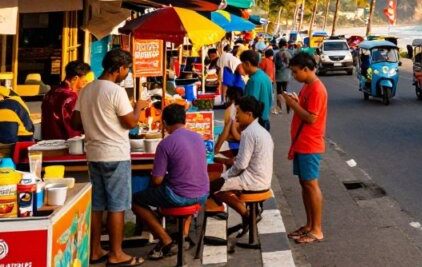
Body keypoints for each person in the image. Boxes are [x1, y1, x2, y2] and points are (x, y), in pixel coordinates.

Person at [72, 48, 149, 266]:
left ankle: (95, 249)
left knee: (97, 204)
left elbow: (75, 123)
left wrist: (94, 121)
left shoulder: (86, 90)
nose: (127, 73)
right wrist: (138, 108)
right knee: (117, 205)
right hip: (115, 154)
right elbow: (131, 123)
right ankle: (116, 253)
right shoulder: (116, 91)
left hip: (94, 154)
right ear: (118, 68)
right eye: (127, 69)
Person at [131, 104, 209, 259]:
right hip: (203, 194)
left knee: (136, 201)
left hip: (181, 196)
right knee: (181, 186)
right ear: (184, 120)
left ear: (165, 123)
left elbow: (157, 179)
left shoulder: (165, 144)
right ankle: (184, 234)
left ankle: (166, 241)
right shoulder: (198, 138)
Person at [210, 96, 273, 237]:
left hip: (254, 181)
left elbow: (241, 165)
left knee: (214, 187)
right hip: (262, 178)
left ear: (249, 114)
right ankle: (247, 216)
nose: (236, 116)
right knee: (220, 183)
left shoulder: (249, 133)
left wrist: (224, 176)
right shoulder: (260, 130)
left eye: (239, 112)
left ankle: (247, 215)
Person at [283, 52, 327, 244]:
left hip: (310, 143)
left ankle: (317, 229)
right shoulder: (307, 87)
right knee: (304, 184)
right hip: (302, 142)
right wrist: (296, 101)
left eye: (295, 72)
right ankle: (309, 225)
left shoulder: (317, 88)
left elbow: (311, 117)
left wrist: (293, 105)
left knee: (311, 184)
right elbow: (307, 111)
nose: (294, 76)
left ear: (306, 69)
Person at [41, 60, 88, 140]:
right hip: (66, 142)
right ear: (75, 78)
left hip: (48, 140)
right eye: (83, 82)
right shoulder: (70, 97)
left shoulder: (50, 93)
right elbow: (75, 125)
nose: (83, 86)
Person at [240, 50, 274, 131]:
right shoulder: (264, 76)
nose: (242, 67)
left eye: (242, 64)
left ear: (247, 64)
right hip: (265, 119)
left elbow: (250, 105)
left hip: (257, 122)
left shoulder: (254, 80)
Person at [214, 87, 244, 157]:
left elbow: (229, 133)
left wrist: (216, 149)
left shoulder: (231, 110)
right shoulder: (243, 108)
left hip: (234, 145)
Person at [273, 40, 293, 115]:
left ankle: (279, 108)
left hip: (278, 76)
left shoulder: (276, 53)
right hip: (287, 75)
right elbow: (292, 63)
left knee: (278, 92)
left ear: (279, 45)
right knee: (286, 91)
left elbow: (274, 63)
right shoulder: (289, 53)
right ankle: (288, 108)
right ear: (286, 45)